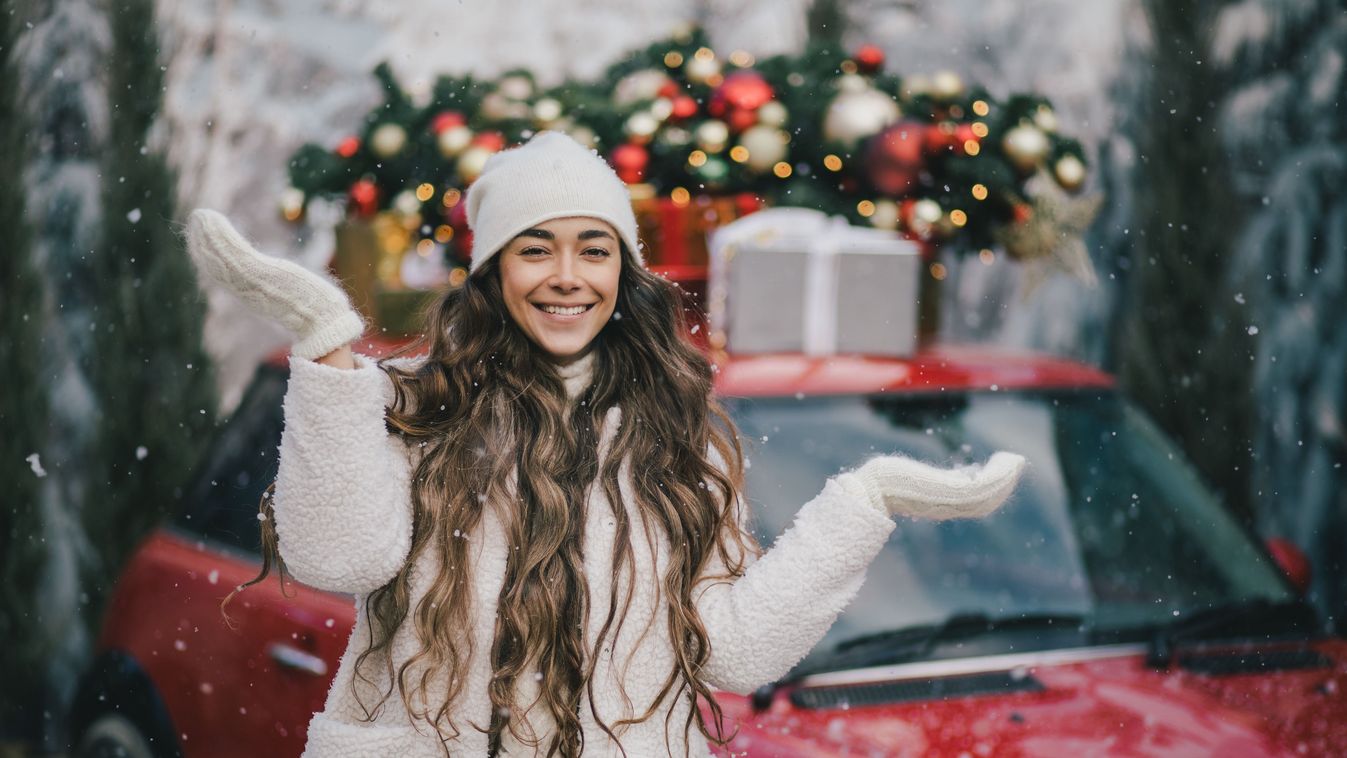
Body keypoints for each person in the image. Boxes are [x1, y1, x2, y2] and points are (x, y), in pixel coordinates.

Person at [185, 130, 1028, 758]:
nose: (566, 276)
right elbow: (338, 557)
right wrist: (329, 349)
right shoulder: (419, 406)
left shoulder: (671, 437)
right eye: (535, 249)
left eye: (593, 250)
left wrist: (864, 502)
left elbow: (730, 648)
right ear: (492, 272)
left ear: (621, 274)